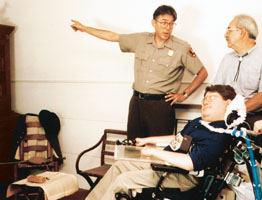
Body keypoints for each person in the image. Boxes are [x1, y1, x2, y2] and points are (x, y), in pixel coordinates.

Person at [63, 84, 235, 200]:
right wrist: (149, 140)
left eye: (212, 98)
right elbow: (178, 139)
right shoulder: (199, 122)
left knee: (124, 180)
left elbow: (191, 163)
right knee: (121, 165)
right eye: (205, 98)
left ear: (227, 104)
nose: (205, 101)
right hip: (166, 166)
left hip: (183, 176)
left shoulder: (219, 135)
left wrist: (155, 153)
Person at [71, 5, 208, 139]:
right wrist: (84, 28)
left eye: (172, 24)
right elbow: (113, 36)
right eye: (164, 23)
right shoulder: (142, 40)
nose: (168, 27)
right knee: (133, 145)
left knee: (158, 150)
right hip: (137, 103)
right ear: (153, 23)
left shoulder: (181, 47)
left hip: (160, 106)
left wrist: (184, 95)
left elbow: (202, 72)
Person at [213, 14, 262, 129]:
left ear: (242, 32)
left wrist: (235, 111)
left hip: (252, 117)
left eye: (229, 30)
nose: (225, 35)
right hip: (224, 116)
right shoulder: (227, 59)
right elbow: (215, 90)